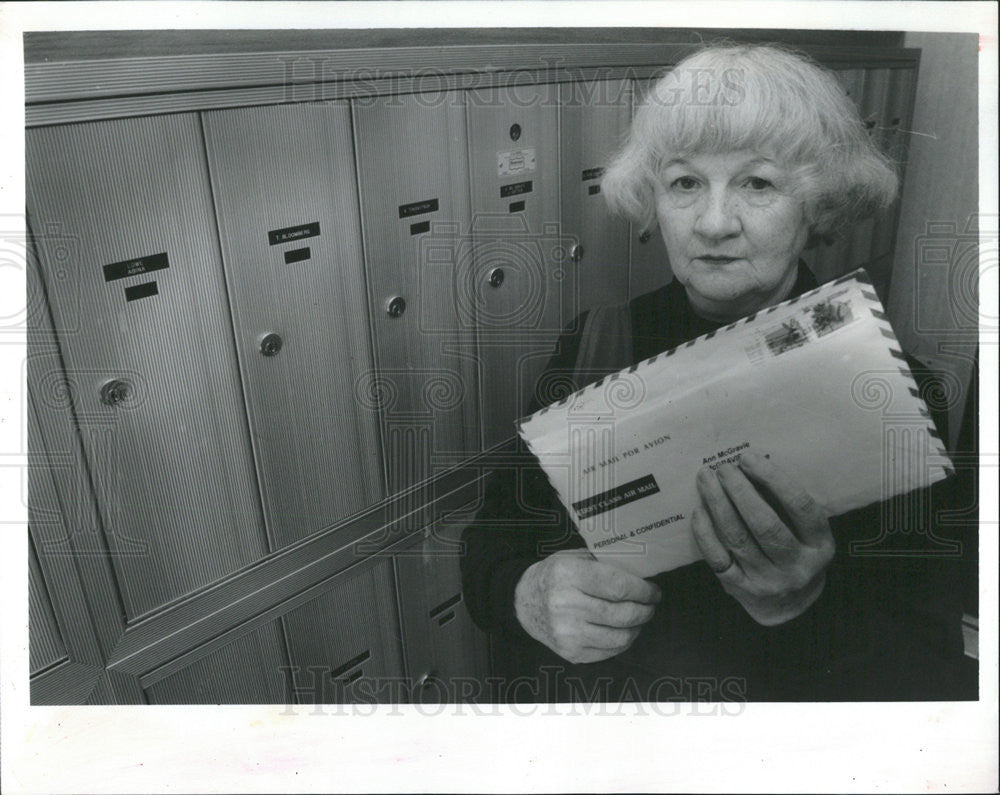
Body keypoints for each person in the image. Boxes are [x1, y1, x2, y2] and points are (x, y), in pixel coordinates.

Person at [460, 43, 973, 702]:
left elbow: (927, 672)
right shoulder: (593, 344)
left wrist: (803, 610)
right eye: (685, 183)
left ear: (815, 206)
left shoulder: (890, 390)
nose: (713, 222)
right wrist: (522, 593)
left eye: (758, 183)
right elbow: (489, 543)